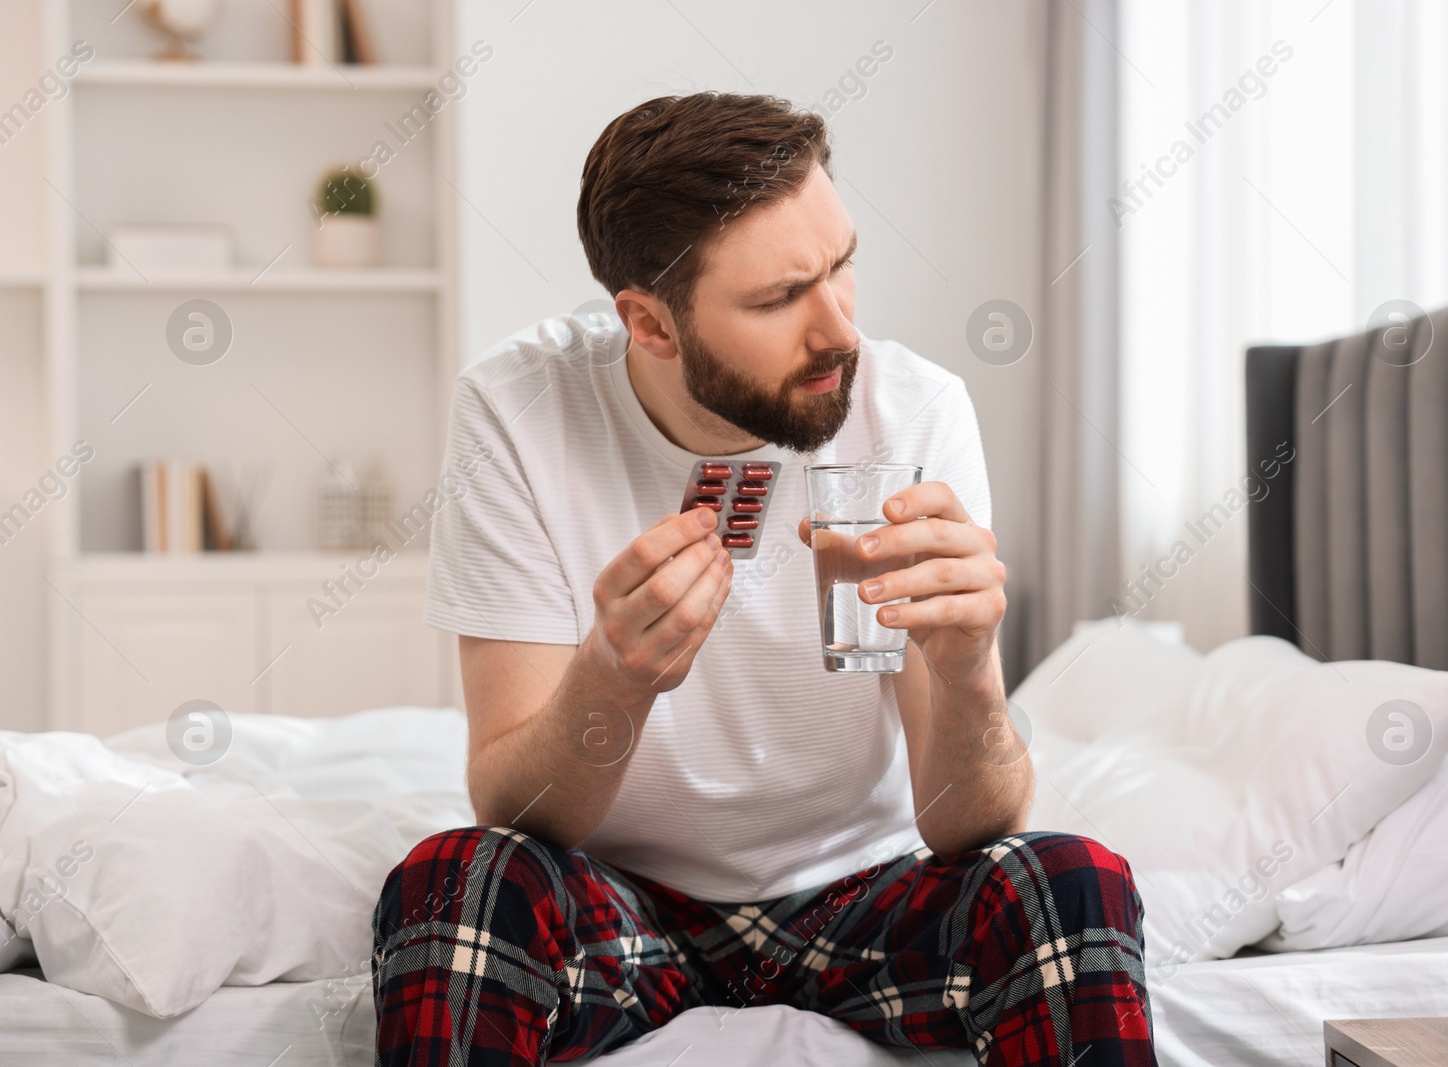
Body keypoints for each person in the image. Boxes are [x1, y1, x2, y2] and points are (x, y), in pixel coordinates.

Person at [371, 90, 1154, 1067]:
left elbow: (972, 823)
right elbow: (516, 809)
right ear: (649, 324)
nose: (839, 332)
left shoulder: (914, 410)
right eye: (781, 298)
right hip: (626, 905)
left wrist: (965, 667)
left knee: (1069, 876)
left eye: (842, 267)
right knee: (453, 878)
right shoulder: (518, 407)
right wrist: (612, 676)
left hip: (863, 896)